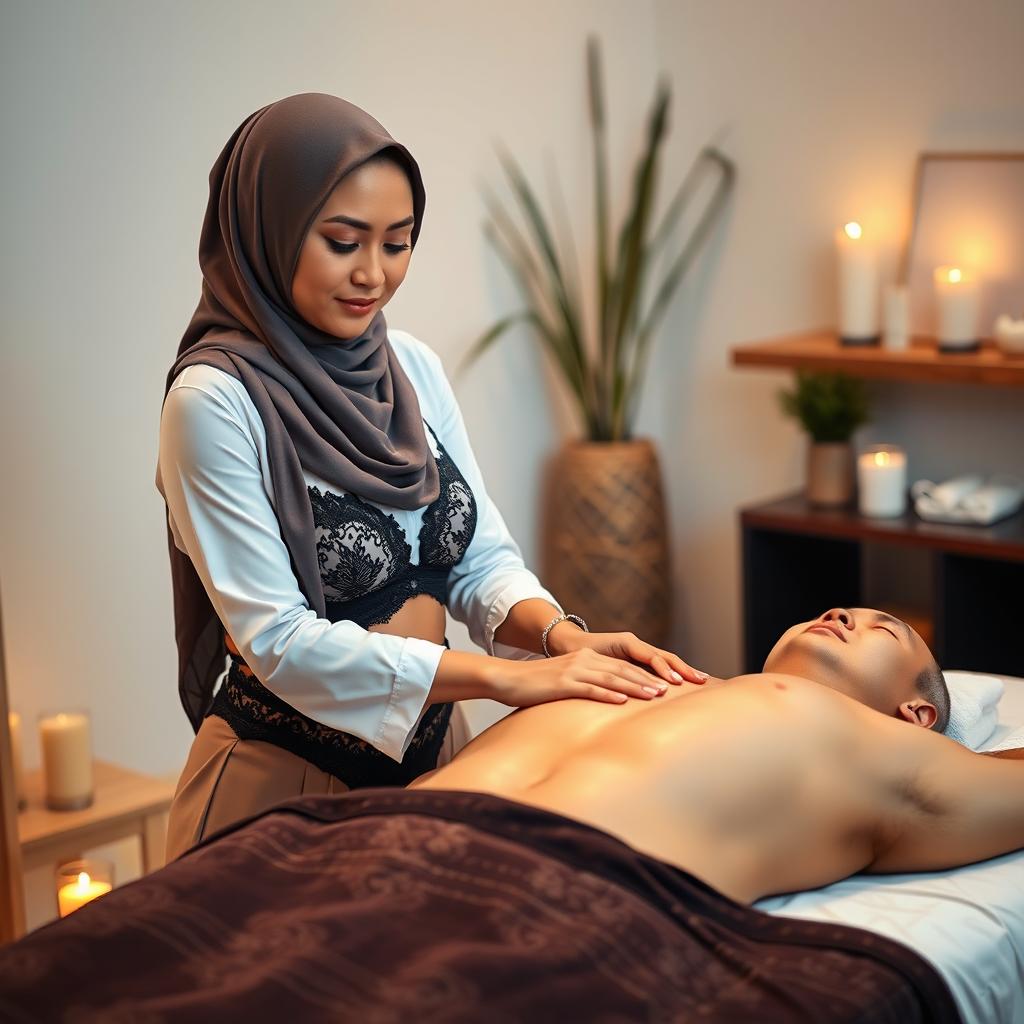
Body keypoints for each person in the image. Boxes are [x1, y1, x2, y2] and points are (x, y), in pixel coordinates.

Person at [157, 92, 706, 861]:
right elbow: (279, 643)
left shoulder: (408, 366)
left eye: (398, 242)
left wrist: (562, 639)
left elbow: (478, 559)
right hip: (282, 788)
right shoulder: (214, 402)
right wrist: (502, 682)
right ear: (268, 231)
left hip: (442, 759)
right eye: (342, 241)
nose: (373, 275)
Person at [412, 606, 1024, 904]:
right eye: (838, 610)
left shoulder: (873, 746)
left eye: (881, 628)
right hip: (372, 837)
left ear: (915, 717)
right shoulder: (648, 680)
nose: (841, 613)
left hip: (539, 896)